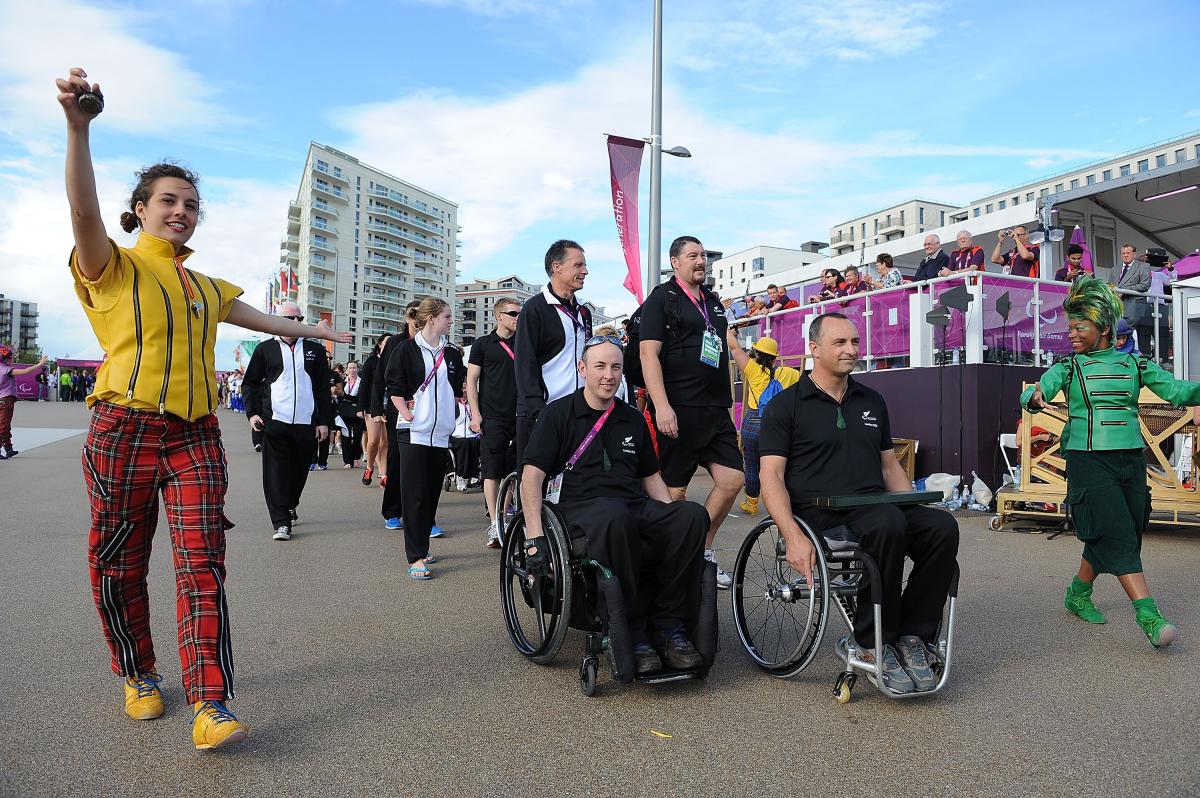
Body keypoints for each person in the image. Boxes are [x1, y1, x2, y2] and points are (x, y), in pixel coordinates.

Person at [58, 67, 350, 749]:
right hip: (122, 427)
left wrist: (316, 332)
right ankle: (138, 673)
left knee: (201, 563)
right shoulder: (113, 264)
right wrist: (79, 131)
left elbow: (270, 322)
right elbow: (82, 214)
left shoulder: (207, 286)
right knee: (118, 561)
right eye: (168, 200)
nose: (182, 210)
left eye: (190, 202)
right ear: (142, 208)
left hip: (193, 436)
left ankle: (210, 702)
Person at [759, 312, 960, 693]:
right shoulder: (786, 406)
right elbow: (771, 478)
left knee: (940, 527)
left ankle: (912, 637)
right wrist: (792, 536)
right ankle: (869, 643)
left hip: (873, 506)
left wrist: (914, 507)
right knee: (887, 523)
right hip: (820, 513)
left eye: (854, 342)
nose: (851, 350)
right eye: (840, 343)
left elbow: (889, 466)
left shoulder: (872, 400)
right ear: (814, 349)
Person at [1021, 277, 1200, 648]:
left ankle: (1077, 593)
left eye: (1079, 326)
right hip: (1089, 461)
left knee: (1126, 532)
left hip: (1131, 461)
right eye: (1069, 327)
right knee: (1118, 534)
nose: (1071, 333)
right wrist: (1033, 396)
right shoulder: (1067, 368)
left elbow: (1178, 391)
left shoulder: (1136, 364)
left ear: (1103, 328)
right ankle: (1149, 615)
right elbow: (1038, 390)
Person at [520, 335, 709, 673]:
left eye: (616, 367)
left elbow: (651, 479)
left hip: (631, 504)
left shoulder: (632, 419)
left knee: (692, 515)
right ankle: (632, 632)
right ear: (582, 369)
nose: (608, 375)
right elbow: (531, 477)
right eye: (600, 366)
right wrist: (534, 536)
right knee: (615, 517)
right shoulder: (558, 415)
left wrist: (671, 516)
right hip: (579, 510)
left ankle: (668, 627)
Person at [639, 236, 744, 589]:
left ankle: (702, 548)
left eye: (703, 256)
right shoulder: (662, 299)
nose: (700, 261)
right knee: (675, 493)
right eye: (692, 256)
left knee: (733, 480)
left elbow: (723, 351)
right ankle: (669, 564)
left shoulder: (713, 302)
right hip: (679, 410)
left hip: (715, 409)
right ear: (675, 262)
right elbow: (648, 355)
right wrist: (663, 406)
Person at [385, 298, 465, 580]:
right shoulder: (405, 350)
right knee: (415, 494)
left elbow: (456, 389)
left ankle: (422, 544)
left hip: (441, 433)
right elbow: (394, 387)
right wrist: (407, 414)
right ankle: (415, 556)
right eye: (447, 316)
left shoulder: (452, 354)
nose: (451, 321)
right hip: (412, 432)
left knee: (431, 493)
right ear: (431, 319)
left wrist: (454, 412)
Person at [242, 301, 336, 541]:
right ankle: (281, 522)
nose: (295, 323)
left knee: (299, 471)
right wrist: (252, 413)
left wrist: (324, 420)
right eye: (290, 319)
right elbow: (250, 383)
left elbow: (323, 388)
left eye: (299, 319)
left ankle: (291, 503)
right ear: (278, 320)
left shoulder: (313, 349)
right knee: (275, 473)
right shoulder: (265, 350)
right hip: (275, 422)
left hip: (306, 423)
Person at [514, 240, 593, 464]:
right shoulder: (535, 309)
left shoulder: (584, 312)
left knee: (575, 482)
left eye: (584, 265)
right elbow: (524, 364)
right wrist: (537, 412)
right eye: (578, 265)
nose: (585, 271)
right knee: (535, 485)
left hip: (579, 411)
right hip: (544, 413)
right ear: (557, 267)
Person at [466, 297, 521, 548]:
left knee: (514, 470)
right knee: (492, 471)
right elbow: (471, 381)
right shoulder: (482, 345)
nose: (517, 317)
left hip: (521, 415)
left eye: (520, 313)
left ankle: (504, 514)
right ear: (499, 316)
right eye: (512, 313)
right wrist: (475, 414)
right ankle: (495, 524)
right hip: (492, 417)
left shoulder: (525, 343)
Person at [725, 333, 800, 516]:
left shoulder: (752, 369)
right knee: (781, 466)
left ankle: (751, 504)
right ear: (775, 357)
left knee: (751, 465)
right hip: (778, 425)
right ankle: (786, 501)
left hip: (753, 423)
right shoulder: (788, 373)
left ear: (757, 353)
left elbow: (735, 348)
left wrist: (726, 327)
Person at [377, 301, 419, 528]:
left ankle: (423, 517)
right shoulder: (394, 342)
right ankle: (392, 511)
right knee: (397, 458)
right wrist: (375, 408)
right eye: (411, 314)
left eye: (419, 314)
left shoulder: (432, 341)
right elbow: (381, 377)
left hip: (425, 410)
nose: (415, 318)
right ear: (405, 317)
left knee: (421, 462)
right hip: (397, 409)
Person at [0, 350, 48, 459]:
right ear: (7, 358)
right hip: (5, 400)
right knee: (3, 426)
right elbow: (25, 372)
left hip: (2, 400)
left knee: (5, 426)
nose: (12, 360)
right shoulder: (5, 369)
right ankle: (7, 449)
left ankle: (9, 449)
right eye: (11, 357)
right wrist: (40, 364)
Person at [338, 360, 365, 469]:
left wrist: (345, 396)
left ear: (358, 369)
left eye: (354, 368)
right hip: (344, 410)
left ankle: (356, 457)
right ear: (346, 370)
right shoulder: (342, 382)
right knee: (345, 436)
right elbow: (339, 397)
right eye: (350, 368)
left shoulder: (361, 382)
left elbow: (361, 398)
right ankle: (347, 461)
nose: (352, 370)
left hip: (357, 411)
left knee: (358, 435)